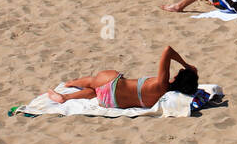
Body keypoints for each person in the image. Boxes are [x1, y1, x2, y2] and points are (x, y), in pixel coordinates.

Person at [47, 45, 198, 108]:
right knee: (95, 92)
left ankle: (69, 84)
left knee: (95, 81)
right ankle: (65, 98)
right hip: (111, 102)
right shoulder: (165, 95)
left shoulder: (161, 83)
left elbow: (167, 50)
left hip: (111, 85)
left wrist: (186, 65)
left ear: (177, 78)